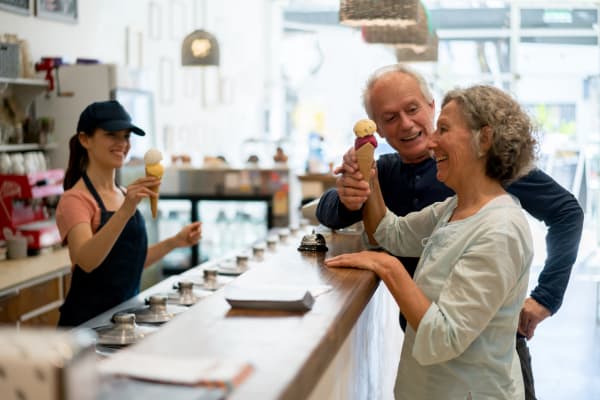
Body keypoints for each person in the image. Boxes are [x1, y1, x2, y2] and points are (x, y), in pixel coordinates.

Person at [316, 64, 584, 400]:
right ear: (380, 130)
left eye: (439, 126)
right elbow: (389, 231)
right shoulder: (449, 206)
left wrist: (546, 297)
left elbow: (444, 336)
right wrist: (362, 177)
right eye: (390, 117)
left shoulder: (498, 217)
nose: (430, 139)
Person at [56, 100, 202, 327]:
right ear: (85, 140)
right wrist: (126, 210)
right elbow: (85, 260)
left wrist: (174, 242)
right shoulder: (75, 199)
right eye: (112, 135)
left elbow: (129, 262)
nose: (122, 144)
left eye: (126, 136)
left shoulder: (124, 193)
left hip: (124, 320)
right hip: (86, 326)